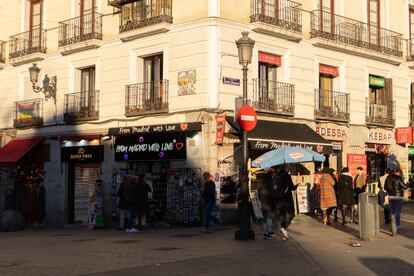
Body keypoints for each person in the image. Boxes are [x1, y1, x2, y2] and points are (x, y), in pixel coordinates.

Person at [274, 164, 297, 240]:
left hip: (278, 199)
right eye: (289, 166)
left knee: (282, 215)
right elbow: (292, 187)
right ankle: (283, 228)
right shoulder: (286, 175)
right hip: (286, 199)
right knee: (291, 214)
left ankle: (284, 235)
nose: (290, 168)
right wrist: (296, 185)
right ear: (286, 167)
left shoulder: (277, 175)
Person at [384, 169, 409, 236]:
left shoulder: (388, 177)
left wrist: (390, 192)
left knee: (392, 211)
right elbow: (405, 187)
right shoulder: (398, 178)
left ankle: (392, 226)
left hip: (391, 197)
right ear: (397, 172)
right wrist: (407, 183)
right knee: (397, 211)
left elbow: (385, 187)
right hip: (398, 197)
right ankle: (397, 225)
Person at [257, 170, 276, 240]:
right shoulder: (270, 183)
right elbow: (272, 194)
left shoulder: (260, 183)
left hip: (263, 202)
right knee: (269, 218)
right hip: (269, 202)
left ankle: (269, 232)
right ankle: (266, 233)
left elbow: (258, 193)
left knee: (266, 218)